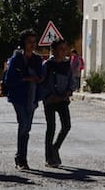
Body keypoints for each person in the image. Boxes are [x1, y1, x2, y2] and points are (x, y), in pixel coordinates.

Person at [4, 29, 45, 170]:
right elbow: (9, 79)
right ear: (23, 43)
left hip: (32, 97)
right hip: (19, 97)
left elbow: (41, 77)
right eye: (29, 42)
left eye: (34, 42)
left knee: (27, 128)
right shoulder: (16, 59)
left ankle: (21, 156)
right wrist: (26, 78)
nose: (32, 45)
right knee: (23, 125)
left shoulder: (37, 59)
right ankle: (21, 158)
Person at [41, 39, 74, 168]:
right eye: (61, 49)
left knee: (66, 126)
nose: (63, 52)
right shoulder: (47, 64)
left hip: (63, 99)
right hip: (50, 99)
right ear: (53, 50)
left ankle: (55, 148)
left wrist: (69, 91)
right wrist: (48, 96)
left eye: (65, 49)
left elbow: (71, 79)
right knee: (51, 127)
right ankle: (49, 157)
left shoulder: (67, 64)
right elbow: (42, 82)